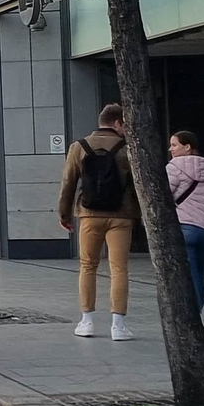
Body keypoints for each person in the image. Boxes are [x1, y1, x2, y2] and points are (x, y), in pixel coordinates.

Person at [56, 101, 138, 339]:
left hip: (89, 214)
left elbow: (68, 184)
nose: (125, 130)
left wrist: (65, 214)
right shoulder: (127, 147)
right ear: (116, 123)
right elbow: (137, 185)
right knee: (119, 268)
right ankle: (118, 325)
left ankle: (87, 321)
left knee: (88, 266)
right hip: (121, 215)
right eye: (124, 125)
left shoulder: (79, 147)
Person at [167, 129, 204, 313]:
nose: (171, 149)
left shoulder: (173, 168)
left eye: (174, 145)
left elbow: (163, 197)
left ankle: (191, 320)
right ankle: (197, 316)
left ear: (187, 147)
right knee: (200, 276)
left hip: (185, 227)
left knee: (188, 276)